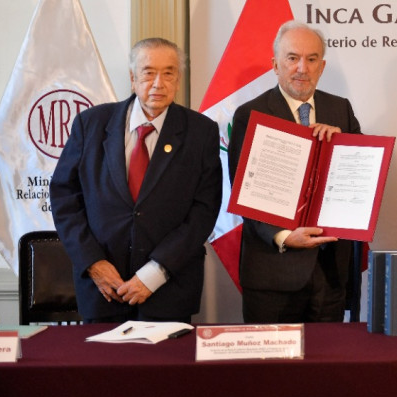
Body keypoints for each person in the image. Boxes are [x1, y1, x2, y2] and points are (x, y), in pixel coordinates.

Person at [50, 38, 222, 323]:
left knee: (165, 369)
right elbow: (64, 197)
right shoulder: (91, 124)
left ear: (178, 79)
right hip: (103, 289)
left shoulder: (201, 132)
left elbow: (204, 211)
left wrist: (155, 273)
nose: (158, 83)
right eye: (148, 72)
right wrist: (93, 263)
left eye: (168, 73)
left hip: (169, 290)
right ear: (132, 78)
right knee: (104, 368)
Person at [228, 21, 361, 323]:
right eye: (292, 58)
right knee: (271, 371)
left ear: (322, 66)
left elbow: (357, 185)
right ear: (275, 64)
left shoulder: (341, 109)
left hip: (329, 275)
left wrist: (340, 145)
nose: (302, 68)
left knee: (327, 369)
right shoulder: (250, 114)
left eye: (312, 59)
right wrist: (285, 236)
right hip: (272, 276)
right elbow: (242, 190)